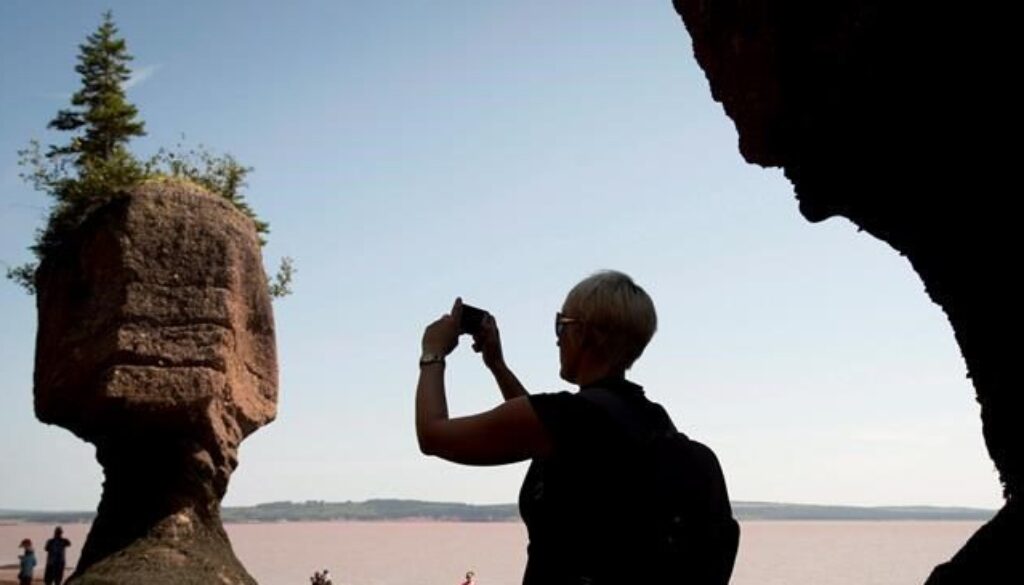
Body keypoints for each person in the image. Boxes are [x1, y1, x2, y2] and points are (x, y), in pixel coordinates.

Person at [416, 270, 739, 583]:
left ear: (585, 333)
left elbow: (433, 435)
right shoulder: (651, 421)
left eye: (561, 325)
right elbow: (546, 431)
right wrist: (497, 365)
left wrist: (433, 352)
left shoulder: (569, 419)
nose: (557, 340)